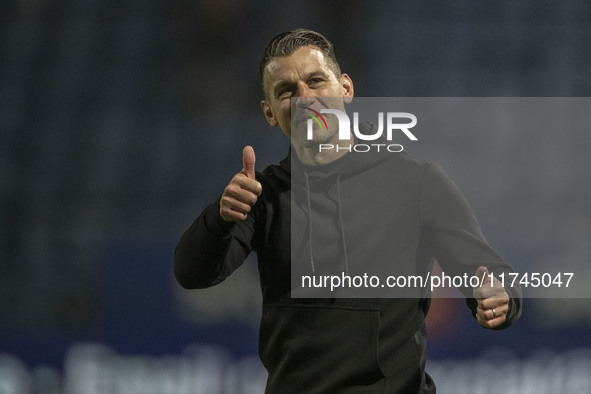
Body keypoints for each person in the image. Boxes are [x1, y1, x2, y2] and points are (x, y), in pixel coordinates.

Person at [175, 28, 522, 393]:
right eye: (287, 91)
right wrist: (221, 218)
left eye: (316, 81)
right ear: (270, 113)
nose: (305, 99)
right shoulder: (263, 195)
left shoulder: (416, 181)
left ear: (346, 88)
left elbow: (490, 275)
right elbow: (192, 274)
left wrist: (499, 299)